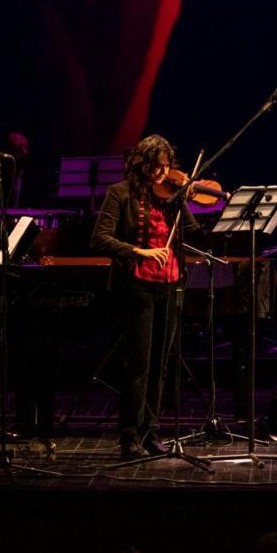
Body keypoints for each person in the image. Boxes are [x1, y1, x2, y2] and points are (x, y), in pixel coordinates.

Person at [90, 135, 208, 458]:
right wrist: (138, 251)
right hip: (137, 284)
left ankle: (150, 432)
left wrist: (195, 198)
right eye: (156, 166)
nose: (162, 173)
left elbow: (197, 233)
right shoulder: (120, 193)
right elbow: (99, 238)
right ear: (142, 164)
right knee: (138, 363)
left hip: (169, 283)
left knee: (161, 364)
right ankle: (129, 435)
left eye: (166, 166)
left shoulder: (173, 195)